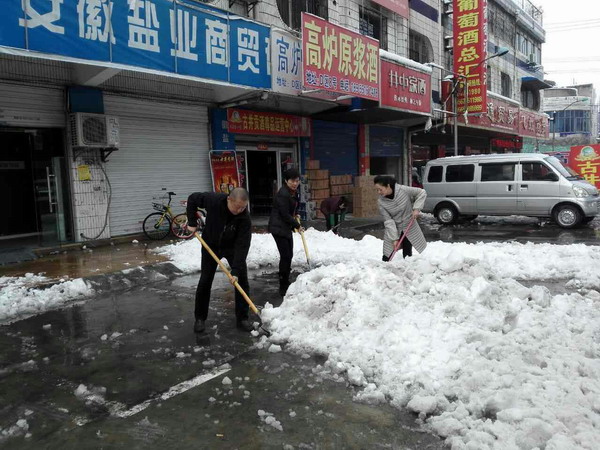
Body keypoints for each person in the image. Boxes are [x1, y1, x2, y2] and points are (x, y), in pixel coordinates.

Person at [185, 188, 253, 333]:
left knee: (242, 281)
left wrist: (236, 270)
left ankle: (242, 318)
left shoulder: (244, 218)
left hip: (232, 248)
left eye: (243, 207)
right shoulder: (214, 200)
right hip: (211, 245)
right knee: (205, 280)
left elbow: (243, 245)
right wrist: (192, 221)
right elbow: (192, 198)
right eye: (237, 207)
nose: (240, 210)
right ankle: (200, 318)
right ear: (229, 199)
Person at [268, 168, 304, 296]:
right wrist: (297, 225)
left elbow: (293, 207)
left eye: (297, 181)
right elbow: (284, 214)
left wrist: (296, 213)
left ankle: (285, 280)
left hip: (285, 227)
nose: (295, 183)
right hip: (278, 227)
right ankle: (283, 285)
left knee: (289, 254)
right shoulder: (283, 194)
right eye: (292, 181)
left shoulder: (293, 192)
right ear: (286, 181)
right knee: (286, 256)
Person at [374, 175, 427, 260]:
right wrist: (394, 239)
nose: (378, 192)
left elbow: (421, 192)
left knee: (407, 252)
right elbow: (388, 221)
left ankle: (407, 265)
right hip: (394, 226)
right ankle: (384, 267)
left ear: (388, 186)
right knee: (387, 253)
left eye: (380, 189)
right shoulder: (381, 202)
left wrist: (416, 209)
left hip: (409, 224)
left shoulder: (402, 190)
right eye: (377, 190)